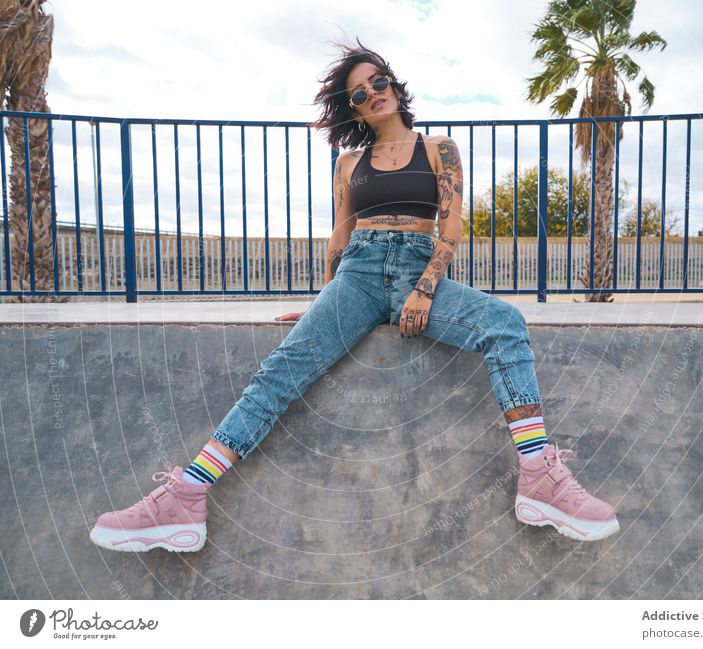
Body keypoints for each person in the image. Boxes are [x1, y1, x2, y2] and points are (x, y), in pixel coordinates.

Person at [89, 39, 619, 553]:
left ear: (394, 85)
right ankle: (184, 495)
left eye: (378, 82)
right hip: (358, 278)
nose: (372, 94)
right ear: (354, 109)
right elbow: (340, 238)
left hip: (419, 269)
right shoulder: (348, 163)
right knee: (279, 372)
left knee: (505, 324)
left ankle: (539, 476)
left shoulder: (440, 149)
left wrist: (426, 288)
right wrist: (323, 304)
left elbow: (452, 226)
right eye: (360, 93)